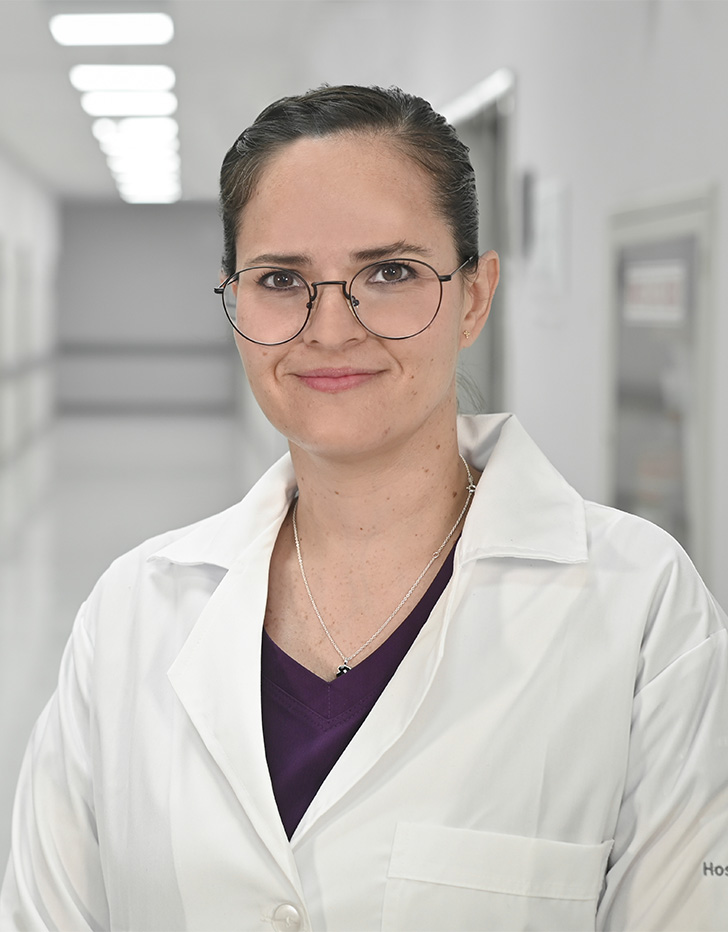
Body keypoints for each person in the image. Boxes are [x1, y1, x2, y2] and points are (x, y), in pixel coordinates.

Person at [1, 84, 727, 932]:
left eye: (389, 272)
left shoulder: (641, 611)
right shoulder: (131, 612)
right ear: (236, 305)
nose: (332, 328)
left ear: (475, 297)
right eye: (281, 279)